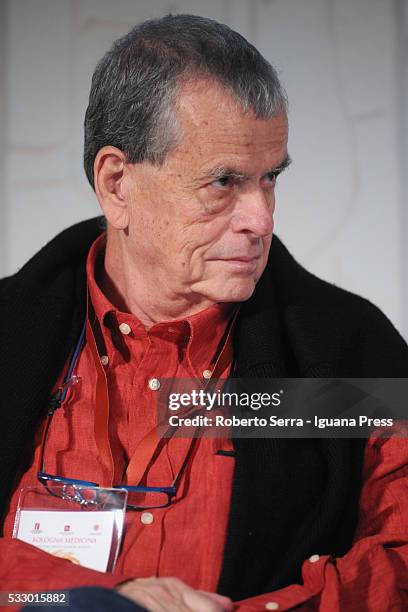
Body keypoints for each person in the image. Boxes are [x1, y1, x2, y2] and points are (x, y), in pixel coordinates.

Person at [1, 13, 408, 612]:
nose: (262, 220)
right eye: (223, 182)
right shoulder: (11, 332)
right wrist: (95, 602)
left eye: (270, 179)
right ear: (117, 184)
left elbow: (400, 556)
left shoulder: (342, 353)